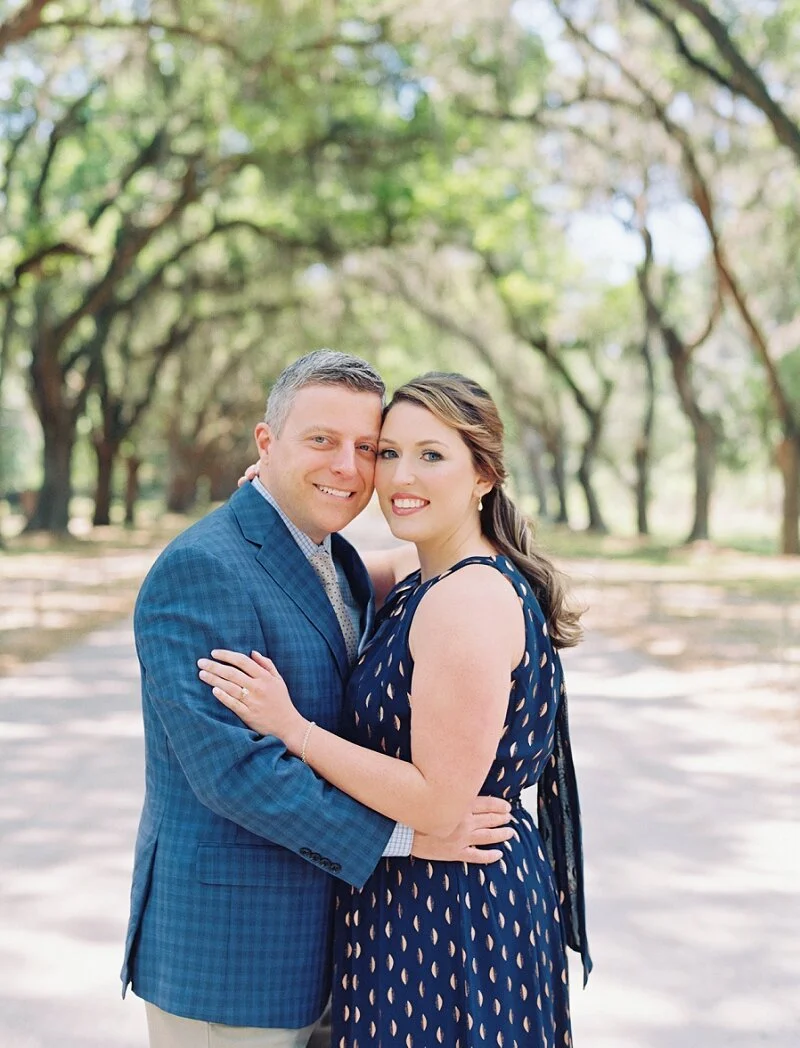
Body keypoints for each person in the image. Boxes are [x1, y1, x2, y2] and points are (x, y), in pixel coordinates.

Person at [122, 351, 514, 1048]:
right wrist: (408, 836)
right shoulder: (203, 568)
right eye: (320, 441)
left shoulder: (335, 560)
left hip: (331, 949)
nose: (348, 466)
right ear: (266, 444)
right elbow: (236, 773)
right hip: (231, 962)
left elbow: (449, 567)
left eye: (368, 449)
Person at [201, 372, 592, 1048]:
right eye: (388, 453)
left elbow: (438, 805)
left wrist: (294, 730)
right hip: (417, 900)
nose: (400, 475)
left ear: (484, 476)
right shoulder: (425, 575)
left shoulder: (464, 601)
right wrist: (272, 497)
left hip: (454, 914)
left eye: (431, 455)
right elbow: (331, 562)